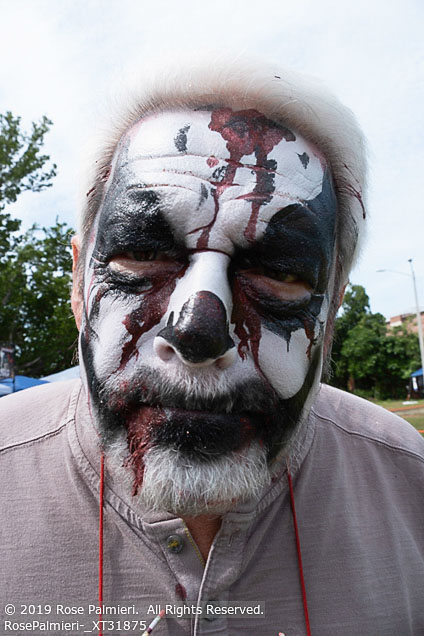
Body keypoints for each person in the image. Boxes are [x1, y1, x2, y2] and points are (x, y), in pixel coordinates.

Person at [1, 59, 423, 636]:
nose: (197, 334)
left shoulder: (409, 487)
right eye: (142, 255)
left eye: (279, 272)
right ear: (79, 283)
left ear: (332, 310)